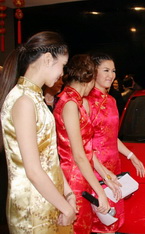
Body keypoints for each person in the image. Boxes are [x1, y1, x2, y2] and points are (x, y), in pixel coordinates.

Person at [0, 31, 76, 233]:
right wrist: (65, 206)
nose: (62, 73)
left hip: (50, 200)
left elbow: (50, 157)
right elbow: (33, 170)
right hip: (32, 209)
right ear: (48, 59)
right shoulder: (23, 101)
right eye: (62, 65)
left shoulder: (34, 97)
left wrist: (68, 194)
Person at [54, 54, 121, 234]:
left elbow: (87, 149)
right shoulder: (69, 103)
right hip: (75, 178)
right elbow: (79, 155)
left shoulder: (74, 101)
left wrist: (106, 175)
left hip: (84, 176)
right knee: (78, 228)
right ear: (89, 78)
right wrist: (100, 192)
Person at [86, 53, 145, 234]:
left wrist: (131, 155)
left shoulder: (112, 100)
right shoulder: (86, 102)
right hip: (96, 169)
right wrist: (103, 174)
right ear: (93, 72)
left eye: (113, 70)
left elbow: (111, 137)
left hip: (114, 167)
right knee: (102, 220)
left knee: (113, 220)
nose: (111, 75)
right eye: (105, 70)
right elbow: (83, 144)